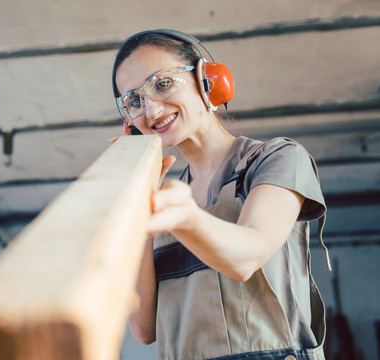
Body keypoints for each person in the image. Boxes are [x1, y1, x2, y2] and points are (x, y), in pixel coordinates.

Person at [111, 29, 331, 360]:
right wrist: (139, 208)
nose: (152, 111)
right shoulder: (163, 201)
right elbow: (144, 329)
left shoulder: (275, 159)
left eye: (162, 83)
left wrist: (186, 217)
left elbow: (247, 256)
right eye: (134, 101)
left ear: (207, 79)